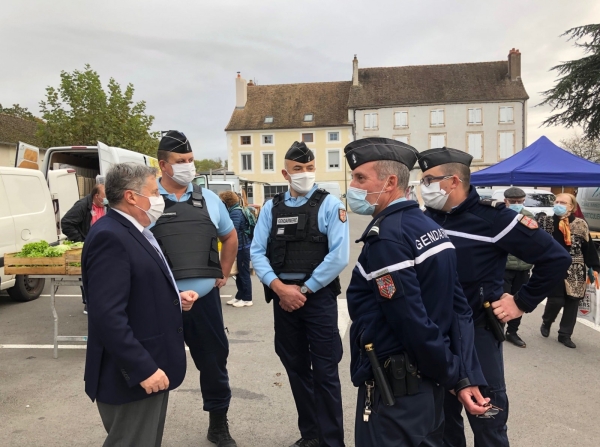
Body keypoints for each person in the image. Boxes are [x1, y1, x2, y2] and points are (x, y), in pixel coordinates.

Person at [417, 147, 572, 447]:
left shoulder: (493, 219)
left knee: (488, 423)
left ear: (452, 182)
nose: (424, 188)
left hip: (477, 333)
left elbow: (555, 258)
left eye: (429, 180)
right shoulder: (424, 220)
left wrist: (521, 302)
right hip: (435, 335)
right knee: (439, 423)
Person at [343, 138, 489, 447]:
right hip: (427, 384)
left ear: (390, 181)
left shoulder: (388, 239)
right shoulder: (427, 227)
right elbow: (458, 309)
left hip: (397, 391)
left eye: (360, 177)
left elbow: (411, 322)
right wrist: (461, 374)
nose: (352, 185)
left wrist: (453, 375)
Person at [82, 163, 198, 447]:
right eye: (154, 192)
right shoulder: (111, 236)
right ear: (132, 197)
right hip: (131, 376)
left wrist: (173, 297)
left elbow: (135, 286)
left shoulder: (135, 230)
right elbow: (107, 315)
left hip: (150, 366)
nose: (160, 198)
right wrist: (142, 368)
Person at [251, 141, 350, 447]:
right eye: (298, 169)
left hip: (315, 298)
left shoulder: (331, 205)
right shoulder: (271, 207)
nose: (305, 174)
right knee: (295, 368)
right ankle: (311, 435)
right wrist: (279, 288)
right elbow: (257, 252)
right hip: (284, 299)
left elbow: (339, 256)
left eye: (309, 168)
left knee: (325, 371)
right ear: (285, 173)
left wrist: (303, 289)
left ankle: (332, 440)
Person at [149, 130, 238, 447]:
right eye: (180, 161)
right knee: (151, 365)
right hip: (160, 303)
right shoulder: (147, 201)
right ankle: (146, 432)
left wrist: (222, 273)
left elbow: (230, 237)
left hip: (204, 302)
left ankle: (218, 425)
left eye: (190, 160)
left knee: (214, 361)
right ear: (163, 164)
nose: (188, 165)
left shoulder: (210, 199)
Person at [538, 193, 600, 348]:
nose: (559, 204)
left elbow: (588, 247)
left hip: (576, 267)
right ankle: (547, 320)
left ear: (572, 207)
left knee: (573, 301)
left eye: (563, 202)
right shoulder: (546, 221)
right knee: (556, 300)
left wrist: (595, 267)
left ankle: (565, 335)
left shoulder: (580, 224)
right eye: (557, 201)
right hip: (554, 267)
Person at [61, 182, 108, 314]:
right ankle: (88, 303)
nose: (106, 199)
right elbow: (66, 223)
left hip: (105, 245)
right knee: (89, 276)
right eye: (104, 196)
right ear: (96, 195)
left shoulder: (108, 206)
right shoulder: (82, 205)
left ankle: (103, 303)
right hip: (89, 246)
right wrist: (82, 241)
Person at [502, 187, 534, 348]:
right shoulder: (499, 216)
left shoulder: (529, 217)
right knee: (500, 300)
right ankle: (498, 329)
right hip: (504, 267)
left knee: (519, 301)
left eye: (520, 202)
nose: (516, 204)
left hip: (523, 267)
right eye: (513, 202)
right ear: (505, 201)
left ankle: (512, 332)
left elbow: (535, 241)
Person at [220, 191, 253, 307]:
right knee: (239, 273)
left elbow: (232, 230)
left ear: (226, 202)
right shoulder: (236, 210)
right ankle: (240, 296)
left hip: (242, 246)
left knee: (243, 273)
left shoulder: (235, 212)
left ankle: (247, 298)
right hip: (242, 245)